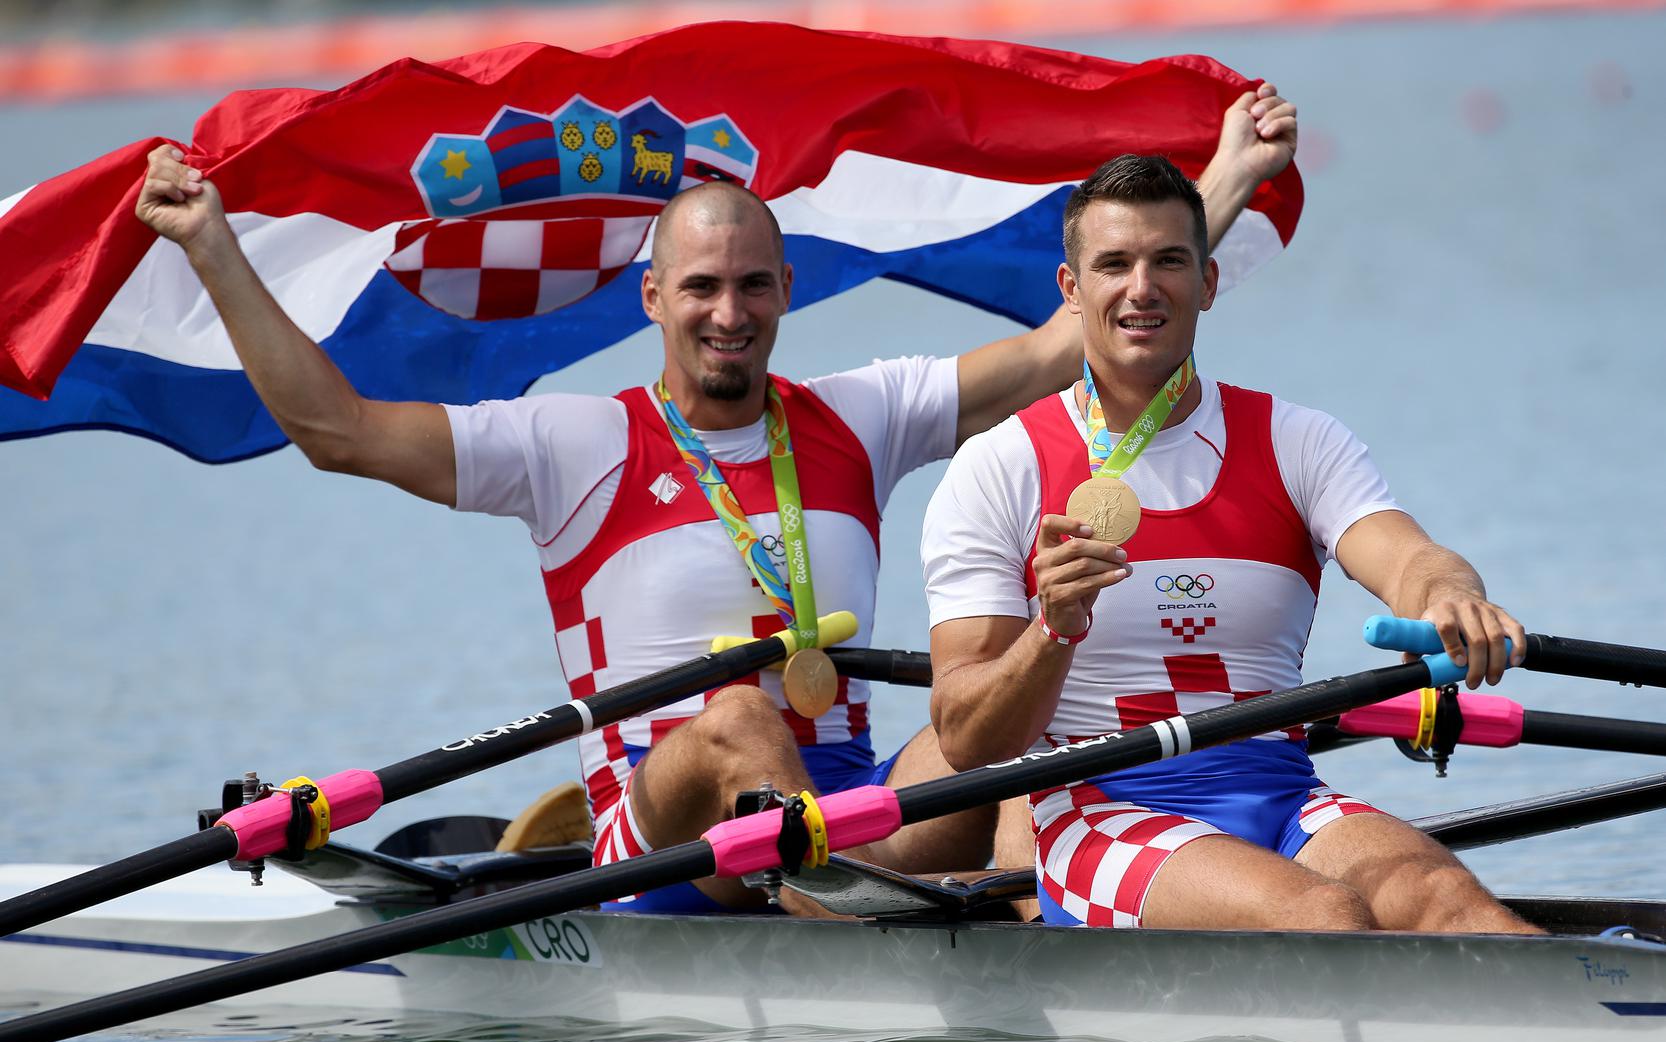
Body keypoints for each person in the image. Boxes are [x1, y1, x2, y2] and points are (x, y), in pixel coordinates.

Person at [135, 87, 1298, 916]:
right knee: (738, 718)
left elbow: (1059, 349)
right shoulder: (567, 442)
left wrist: (1225, 183)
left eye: (751, 285)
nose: (727, 312)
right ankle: (856, 920)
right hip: (659, 846)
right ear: (652, 295)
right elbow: (337, 433)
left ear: (787, 289)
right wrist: (211, 249)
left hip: (849, 817)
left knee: (979, 724)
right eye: (699, 287)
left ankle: (990, 899)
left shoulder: (861, 414)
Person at [921, 153, 1542, 933]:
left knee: (1454, 906)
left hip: (1281, 793)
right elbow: (967, 738)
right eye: (1113, 264)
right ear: (1071, 291)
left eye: (1168, 261)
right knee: (1323, 914)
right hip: (1098, 807)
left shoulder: (1298, 440)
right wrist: (1053, 627)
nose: (1142, 288)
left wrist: (1453, 595)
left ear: (1208, 283)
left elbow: (1411, 559)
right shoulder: (999, 467)